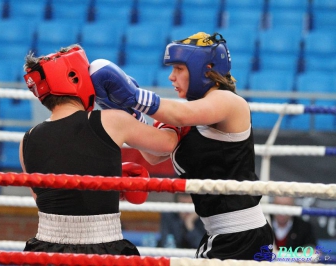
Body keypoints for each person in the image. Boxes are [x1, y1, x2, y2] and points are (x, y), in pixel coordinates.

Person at [90, 32, 275, 260]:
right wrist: (129, 114)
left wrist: (132, 95)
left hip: (242, 234)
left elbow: (181, 114)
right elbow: (154, 154)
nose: (171, 77)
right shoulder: (186, 114)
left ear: (204, 69)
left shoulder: (229, 102)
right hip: (219, 234)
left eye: (179, 69)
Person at [18, 44, 179, 256]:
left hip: (45, 252)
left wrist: (103, 177)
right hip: (102, 248)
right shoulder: (111, 120)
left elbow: (46, 199)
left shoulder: (26, 140)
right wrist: (138, 105)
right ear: (75, 77)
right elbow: (168, 144)